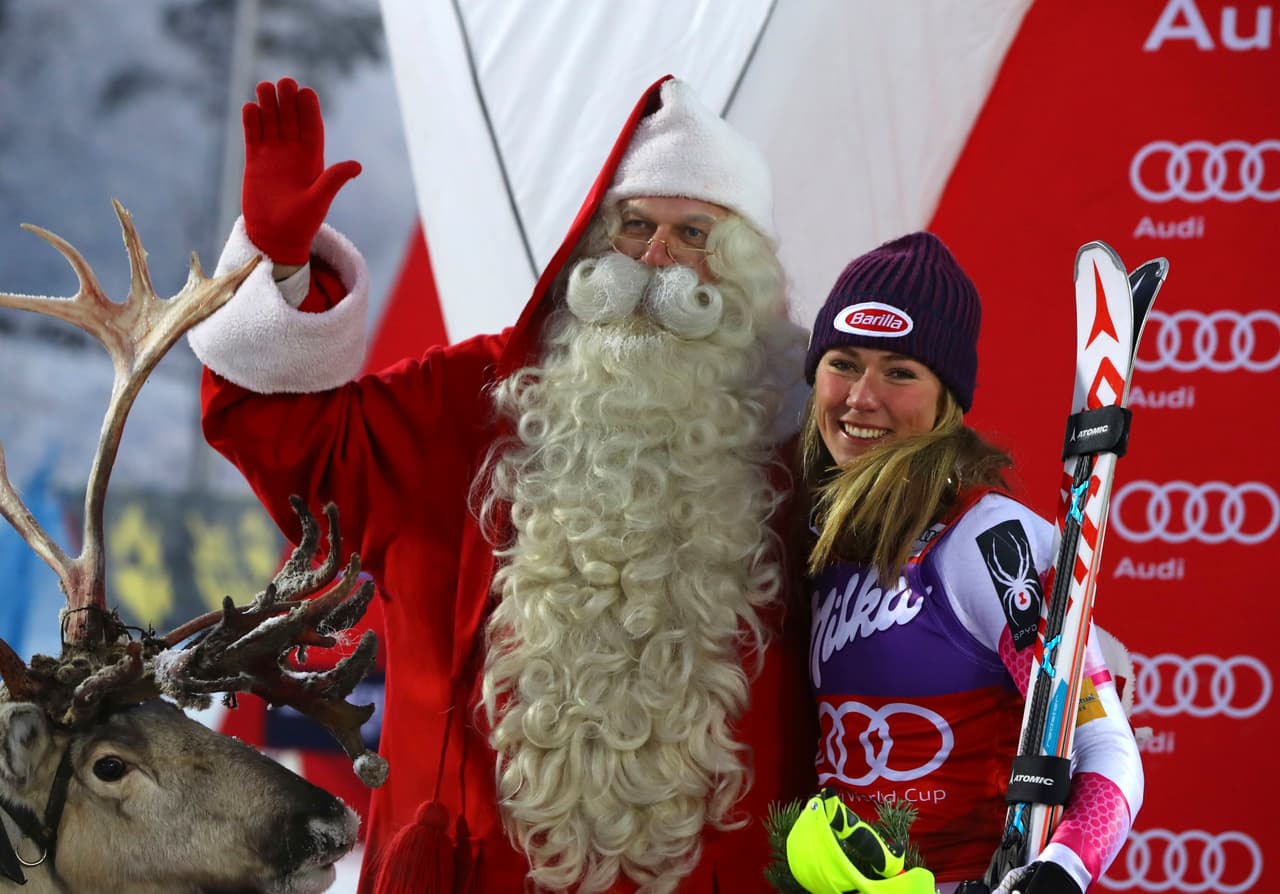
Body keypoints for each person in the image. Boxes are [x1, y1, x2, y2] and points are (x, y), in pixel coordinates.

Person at [187, 75, 815, 893]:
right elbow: (290, 439)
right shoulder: (470, 406)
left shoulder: (803, 454)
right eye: (633, 227)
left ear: (743, 273)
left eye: (693, 232)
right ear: (593, 246)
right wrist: (283, 268)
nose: (657, 258)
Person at [798, 232, 1143, 893]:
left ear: (946, 401)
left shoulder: (989, 541)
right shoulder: (821, 537)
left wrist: (1061, 871)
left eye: (900, 373)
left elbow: (1108, 751)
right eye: (843, 362)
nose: (861, 398)